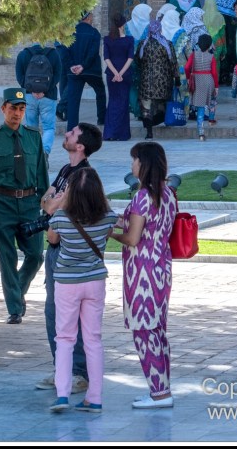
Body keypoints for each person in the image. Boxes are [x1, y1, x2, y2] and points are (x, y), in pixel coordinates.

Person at [36, 122, 103, 394]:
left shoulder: (84, 177)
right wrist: (51, 200)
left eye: (72, 133)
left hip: (69, 251)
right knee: (53, 312)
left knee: (70, 316)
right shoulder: (66, 171)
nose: (67, 134)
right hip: (54, 251)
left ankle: (78, 373)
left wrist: (52, 201)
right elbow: (46, 200)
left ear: (81, 145)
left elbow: (52, 205)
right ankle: (61, 369)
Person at [110, 142, 177, 409]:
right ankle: (162, 389)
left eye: (134, 160)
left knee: (144, 331)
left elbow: (133, 238)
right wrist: (114, 219)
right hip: (161, 267)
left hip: (142, 273)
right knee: (157, 331)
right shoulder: (168, 193)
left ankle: (159, 394)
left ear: (143, 163)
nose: (131, 165)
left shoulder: (142, 197)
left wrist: (111, 234)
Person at [46, 168, 117, 413]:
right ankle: (94, 397)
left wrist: (60, 202)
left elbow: (52, 239)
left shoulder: (60, 217)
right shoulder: (108, 216)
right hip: (95, 281)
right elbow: (107, 235)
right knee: (93, 340)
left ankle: (62, 394)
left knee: (64, 338)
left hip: (67, 282)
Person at [0, 87, 49, 323]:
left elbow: (41, 174)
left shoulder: (33, 137)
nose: (17, 113)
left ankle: (18, 292)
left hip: (29, 203)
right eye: (13, 108)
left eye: (22, 109)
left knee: (36, 255)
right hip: (2, 203)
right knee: (7, 257)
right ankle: (15, 308)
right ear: (3, 108)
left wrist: (46, 204)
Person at [15, 41, 62, 157]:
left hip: (30, 97)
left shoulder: (23, 54)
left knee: (31, 127)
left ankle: (34, 153)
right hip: (48, 96)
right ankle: (45, 151)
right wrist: (44, 91)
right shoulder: (54, 54)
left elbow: (19, 76)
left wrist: (31, 90)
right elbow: (58, 75)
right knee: (49, 127)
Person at [136, 19, 180, 140]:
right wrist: (177, 78)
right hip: (163, 82)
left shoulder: (142, 44)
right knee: (161, 105)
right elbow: (173, 63)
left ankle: (149, 132)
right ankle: (159, 122)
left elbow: (137, 61)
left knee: (146, 107)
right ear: (160, 29)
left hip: (146, 82)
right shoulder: (167, 44)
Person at [65, 12, 106, 130]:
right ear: (88, 17)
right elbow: (93, 52)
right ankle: (102, 118)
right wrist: (83, 66)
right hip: (91, 70)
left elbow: (65, 51)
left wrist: (72, 65)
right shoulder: (94, 33)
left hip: (73, 72)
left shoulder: (70, 33)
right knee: (100, 92)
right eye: (92, 15)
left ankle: (71, 129)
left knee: (73, 100)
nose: (93, 17)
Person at [102, 14, 134, 141]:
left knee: (112, 102)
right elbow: (130, 58)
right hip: (125, 75)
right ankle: (122, 134)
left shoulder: (107, 39)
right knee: (123, 103)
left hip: (111, 75)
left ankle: (110, 133)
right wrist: (120, 73)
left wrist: (115, 73)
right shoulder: (129, 40)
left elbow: (106, 58)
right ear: (123, 25)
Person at [185, 34, 219, 141]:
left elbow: (186, 67)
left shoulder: (193, 55)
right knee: (212, 101)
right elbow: (214, 72)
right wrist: (216, 86)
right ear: (209, 45)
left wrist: (188, 78)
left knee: (200, 107)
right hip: (209, 79)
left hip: (197, 80)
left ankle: (201, 133)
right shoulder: (211, 57)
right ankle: (211, 120)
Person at [159, 8, 191, 116]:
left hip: (163, 68)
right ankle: (182, 113)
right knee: (182, 90)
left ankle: (167, 114)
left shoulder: (160, 32)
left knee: (166, 90)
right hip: (180, 68)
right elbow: (188, 51)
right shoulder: (181, 33)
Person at [125, 3, 152, 120]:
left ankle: (136, 111)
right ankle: (143, 111)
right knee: (143, 85)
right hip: (145, 61)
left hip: (129, 60)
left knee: (132, 86)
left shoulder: (127, 26)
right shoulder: (149, 26)